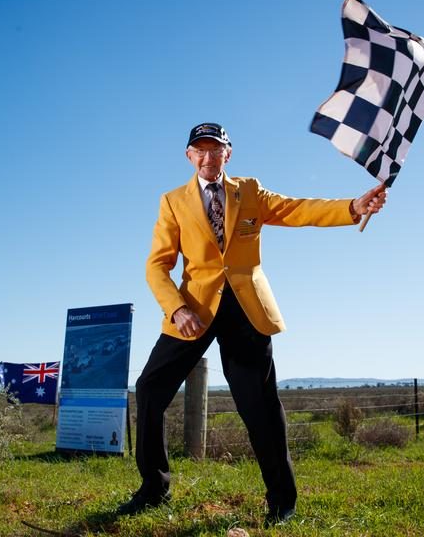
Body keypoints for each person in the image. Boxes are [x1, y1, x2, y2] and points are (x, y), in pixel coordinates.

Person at [117, 122, 386, 524]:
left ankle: (282, 502)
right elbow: (157, 265)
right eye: (200, 150)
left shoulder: (250, 191)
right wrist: (176, 308)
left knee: (259, 406)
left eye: (216, 149)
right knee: (150, 389)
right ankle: (154, 488)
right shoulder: (173, 201)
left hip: (246, 309)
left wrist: (352, 207)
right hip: (194, 310)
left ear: (229, 153)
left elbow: (297, 210)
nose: (208, 157)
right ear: (190, 156)